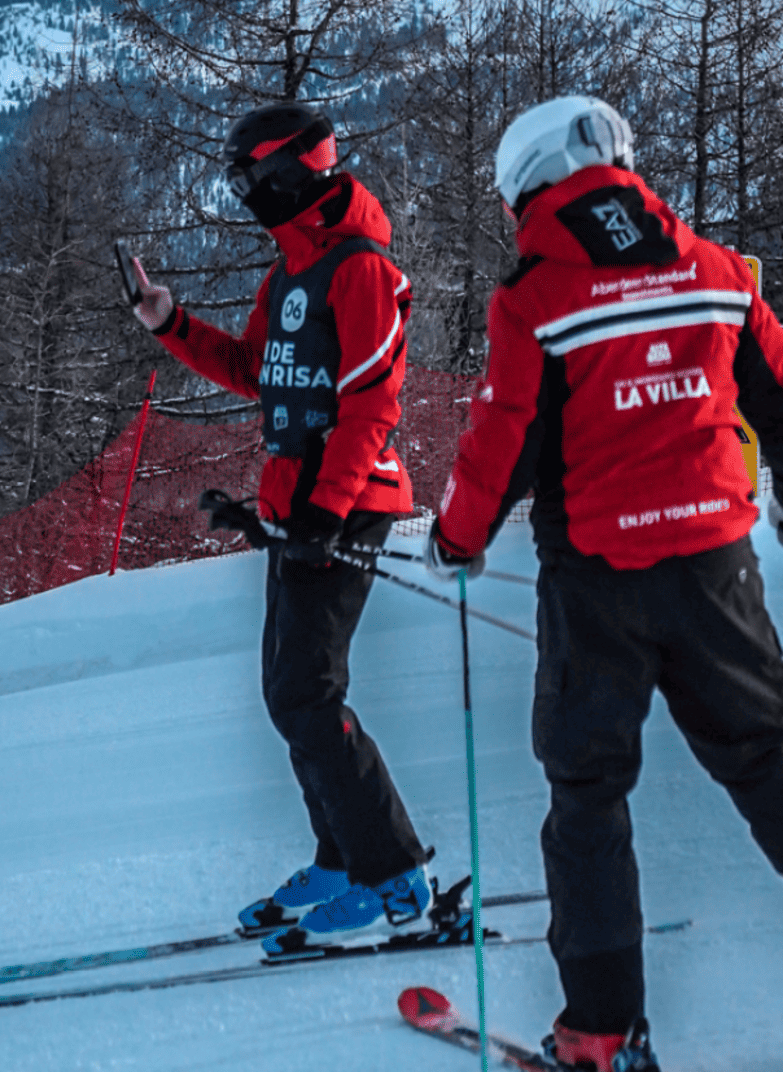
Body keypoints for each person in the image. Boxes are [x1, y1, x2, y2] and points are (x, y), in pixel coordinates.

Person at [427, 95, 783, 1072]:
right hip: (716, 566)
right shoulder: (712, 271)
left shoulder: (533, 297)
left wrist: (455, 538)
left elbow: (503, 443)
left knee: (586, 793)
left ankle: (600, 1035)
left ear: (527, 190)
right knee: (763, 755)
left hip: (596, 579)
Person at [128, 101, 432, 947]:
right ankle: (341, 857)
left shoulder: (360, 270)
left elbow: (373, 405)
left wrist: (328, 513)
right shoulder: (289, 275)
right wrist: (169, 322)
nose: (243, 195)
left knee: (308, 693)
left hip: (349, 504)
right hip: (298, 510)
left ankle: (395, 873)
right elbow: (255, 372)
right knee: (287, 695)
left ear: (289, 174)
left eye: (249, 180)